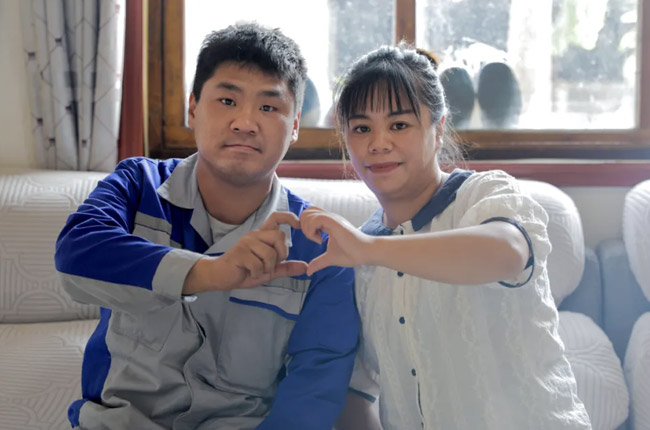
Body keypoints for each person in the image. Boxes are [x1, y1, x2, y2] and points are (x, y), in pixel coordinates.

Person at [55, 23, 358, 430]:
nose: (245, 122)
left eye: (269, 108)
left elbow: (313, 391)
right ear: (193, 108)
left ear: (296, 125)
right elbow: (75, 254)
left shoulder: (318, 247)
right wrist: (210, 273)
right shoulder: (138, 185)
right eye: (227, 100)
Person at [300, 44, 592, 430]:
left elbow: (507, 252)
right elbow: (357, 391)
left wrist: (370, 249)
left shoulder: (485, 194)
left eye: (399, 125)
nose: (378, 143)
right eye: (361, 128)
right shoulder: (358, 256)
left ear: (437, 130)